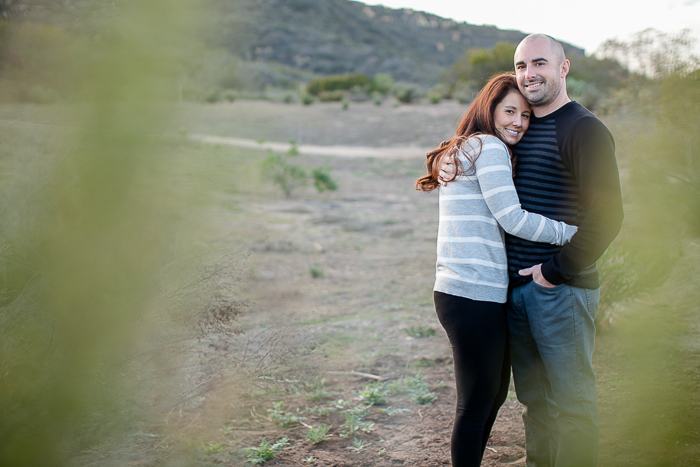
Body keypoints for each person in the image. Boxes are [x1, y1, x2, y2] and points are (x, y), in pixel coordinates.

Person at [441, 34, 624, 467]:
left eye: (539, 63)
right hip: (513, 292)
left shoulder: (585, 129)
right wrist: (450, 156)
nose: (529, 74)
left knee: (572, 401)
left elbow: (608, 215)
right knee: (534, 403)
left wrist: (556, 271)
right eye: (521, 66)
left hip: (560, 288)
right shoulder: (518, 128)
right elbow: (482, 169)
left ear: (563, 68)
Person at [415, 72, 578, 467]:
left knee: (491, 395)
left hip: (465, 292)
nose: (518, 123)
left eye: (525, 116)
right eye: (510, 111)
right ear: (489, 108)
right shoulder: (488, 147)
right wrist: (571, 233)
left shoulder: (467, 146)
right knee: (475, 403)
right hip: (471, 293)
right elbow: (512, 218)